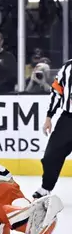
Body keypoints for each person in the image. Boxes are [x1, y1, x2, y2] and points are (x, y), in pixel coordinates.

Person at [34, 59, 72, 199]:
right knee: (50, 156)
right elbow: (57, 91)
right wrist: (49, 116)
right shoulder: (68, 67)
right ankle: (46, 187)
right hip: (68, 119)